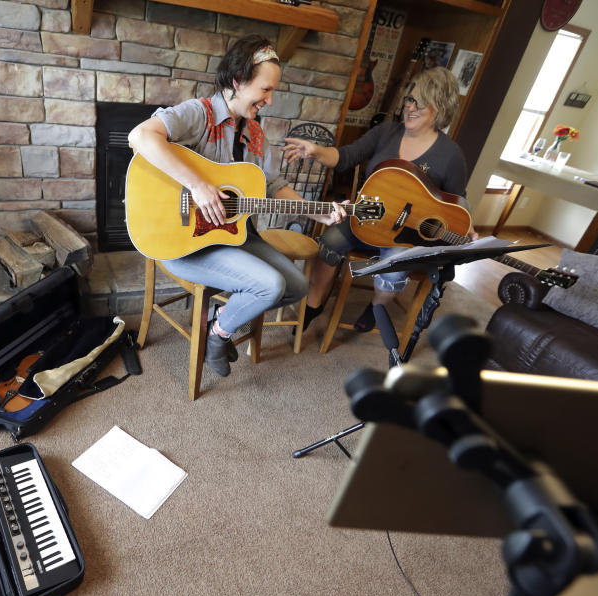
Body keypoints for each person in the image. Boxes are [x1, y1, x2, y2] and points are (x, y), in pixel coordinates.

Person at [127, 35, 346, 378]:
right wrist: (198, 185)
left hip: (233, 234)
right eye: (265, 90)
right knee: (270, 285)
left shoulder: (256, 135)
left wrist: (317, 211)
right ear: (237, 81)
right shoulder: (199, 114)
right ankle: (219, 335)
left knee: (297, 286)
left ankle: (218, 323)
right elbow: (140, 136)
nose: (270, 100)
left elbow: (273, 186)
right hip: (184, 240)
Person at [282, 65, 468, 366]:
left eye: (418, 103)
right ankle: (313, 306)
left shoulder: (451, 156)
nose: (409, 108)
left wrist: (457, 225)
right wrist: (315, 150)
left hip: (404, 236)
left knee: (392, 271)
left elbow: (456, 204)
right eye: (409, 100)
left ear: (439, 108)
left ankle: (376, 307)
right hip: (364, 220)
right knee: (329, 241)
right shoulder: (386, 133)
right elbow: (345, 156)